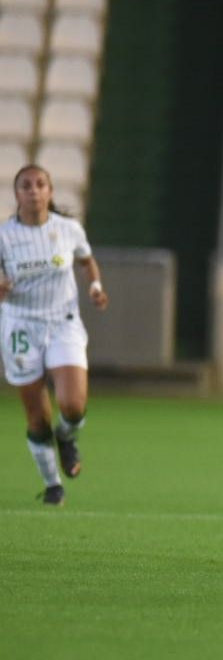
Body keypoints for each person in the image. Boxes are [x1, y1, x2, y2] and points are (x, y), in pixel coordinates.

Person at [0, 165, 109, 506]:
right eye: (26, 186)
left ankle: (67, 436)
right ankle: (52, 485)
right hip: (20, 326)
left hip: (62, 322)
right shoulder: (4, 237)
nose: (33, 190)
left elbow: (87, 261)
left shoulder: (68, 229)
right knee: (37, 415)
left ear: (50, 191)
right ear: (17, 194)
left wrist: (94, 286)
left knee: (73, 405)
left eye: (40, 184)